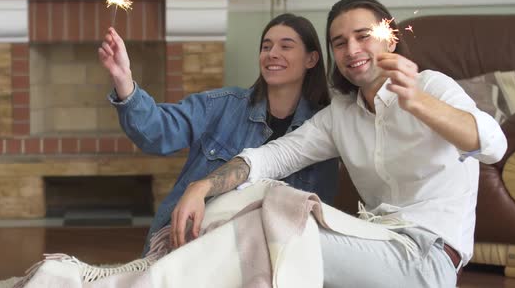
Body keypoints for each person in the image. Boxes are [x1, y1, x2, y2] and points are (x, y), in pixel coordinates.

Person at [170, 0, 507, 287]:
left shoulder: (432, 86)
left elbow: (494, 146)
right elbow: (273, 156)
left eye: (363, 36)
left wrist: (418, 103)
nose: (352, 50)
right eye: (340, 42)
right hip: (372, 243)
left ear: (390, 39)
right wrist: (201, 187)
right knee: (253, 216)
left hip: (425, 259)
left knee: (271, 235)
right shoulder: (341, 115)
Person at [98, 14, 340, 256]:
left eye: (285, 46)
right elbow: (156, 133)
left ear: (311, 58)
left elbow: (316, 216)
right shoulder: (221, 106)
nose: (272, 53)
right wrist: (124, 80)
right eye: (266, 46)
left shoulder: (323, 130)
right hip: (193, 245)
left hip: (268, 256)